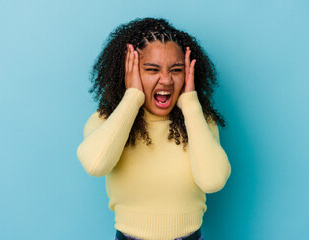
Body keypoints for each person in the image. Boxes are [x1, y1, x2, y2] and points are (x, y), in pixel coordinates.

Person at [76, 17, 231, 240]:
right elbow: (95, 164)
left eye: (176, 70)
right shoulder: (106, 122)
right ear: (130, 71)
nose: (166, 80)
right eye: (152, 69)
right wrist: (132, 98)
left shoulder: (200, 122)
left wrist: (190, 104)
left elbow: (213, 181)